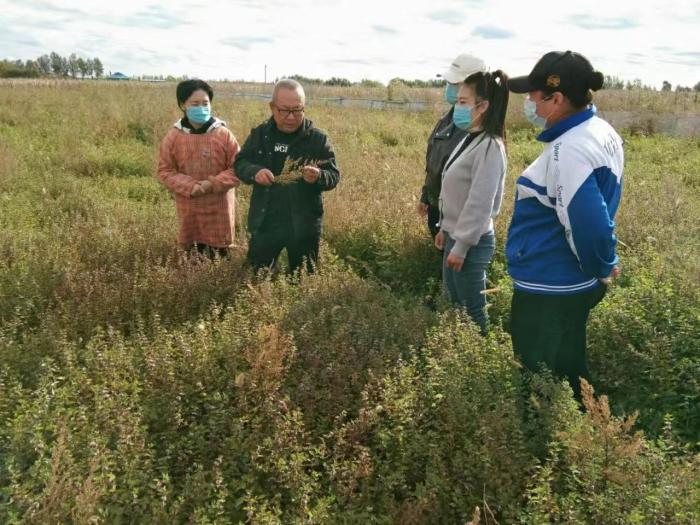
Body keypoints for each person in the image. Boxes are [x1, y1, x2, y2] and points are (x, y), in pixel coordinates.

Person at [506, 51, 624, 399]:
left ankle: (538, 438)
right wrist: (599, 269)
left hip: (550, 285)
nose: (528, 102)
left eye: (533, 95)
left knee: (535, 371)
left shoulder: (569, 150)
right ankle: (587, 428)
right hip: (570, 282)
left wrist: (602, 266)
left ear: (556, 99)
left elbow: (589, 224)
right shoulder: (599, 130)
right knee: (568, 362)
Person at [234, 79, 340, 274]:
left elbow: (333, 175)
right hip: (266, 221)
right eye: (284, 110)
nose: (291, 117)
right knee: (255, 274)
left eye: (297, 110)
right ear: (272, 107)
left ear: (304, 108)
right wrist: (254, 172)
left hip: (304, 225)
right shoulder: (260, 135)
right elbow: (240, 163)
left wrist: (318, 177)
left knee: (303, 279)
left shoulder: (317, 140)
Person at [435, 70, 510, 334]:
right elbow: (456, 190)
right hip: (456, 237)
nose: (458, 107)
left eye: (464, 102)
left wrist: (462, 245)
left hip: (472, 242)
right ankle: (459, 353)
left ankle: (480, 357)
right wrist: (445, 229)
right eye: (458, 101)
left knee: (472, 310)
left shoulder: (489, 146)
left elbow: (480, 201)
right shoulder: (470, 138)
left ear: (484, 106)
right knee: (455, 305)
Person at [156, 79, 240, 259]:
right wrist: (190, 186)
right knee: (193, 255)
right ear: (182, 105)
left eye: (205, 103)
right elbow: (165, 171)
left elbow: (238, 167)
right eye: (195, 104)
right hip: (189, 206)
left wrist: (212, 184)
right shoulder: (174, 137)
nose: (201, 108)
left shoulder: (223, 134)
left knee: (220, 257)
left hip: (220, 208)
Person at [419, 54, 486, 239]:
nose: (449, 88)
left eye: (455, 83)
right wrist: (426, 195)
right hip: (438, 206)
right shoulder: (450, 118)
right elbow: (434, 159)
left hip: (457, 216)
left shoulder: (476, 126)